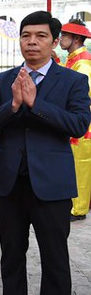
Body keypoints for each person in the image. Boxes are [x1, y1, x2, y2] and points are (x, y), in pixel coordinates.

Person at [0, 11, 91, 295]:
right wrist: (12, 105)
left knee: (54, 257)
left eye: (40, 36)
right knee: (12, 254)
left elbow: (78, 125)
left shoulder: (72, 81)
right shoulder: (3, 81)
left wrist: (35, 104)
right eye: (26, 35)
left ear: (54, 41)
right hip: (10, 182)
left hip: (52, 185)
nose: (32, 42)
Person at [59, 19, 91, 221]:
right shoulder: (72, 59)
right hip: (74, 120)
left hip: (83, 123)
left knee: (81, 164)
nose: (61, 39)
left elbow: (83, 94)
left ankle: (78, 209)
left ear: (76, 39)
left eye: (64, 36)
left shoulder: (83, 62)